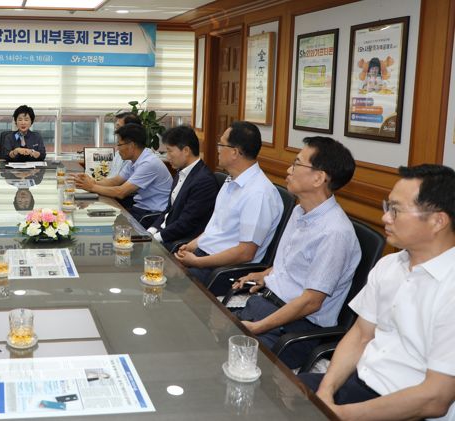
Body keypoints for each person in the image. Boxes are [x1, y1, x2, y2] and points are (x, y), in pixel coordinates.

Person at [299, 164, 455, 421]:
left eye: (396, 210)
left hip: (406, 410)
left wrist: (343, 414)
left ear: (438, 220)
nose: (385, 217)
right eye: (387, 207)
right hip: (358, 384)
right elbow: (361, 335)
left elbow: (435, 399)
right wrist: (326, 390)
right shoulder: (389, 266)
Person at [230, 136, 360, 369]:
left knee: (229, 359)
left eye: (297, 163)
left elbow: (311, 302)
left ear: (319, 178)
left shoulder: (334, 232)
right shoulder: (300, 210)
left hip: (295, 328)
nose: (288, 170)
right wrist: (267, 274)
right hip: (267, 306)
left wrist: (259, 327)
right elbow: (293, 262)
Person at [174, 121, 282, 288]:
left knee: (167, 292)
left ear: (234, 152)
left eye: (221, 144)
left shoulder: (258, 194)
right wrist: (192, 245)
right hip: (205, 258)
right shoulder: (230, 181)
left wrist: (198, 262)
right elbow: (217, 228)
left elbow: (245, 253)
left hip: (222, 271)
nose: (217, 148)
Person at [72, 123, 172, 226]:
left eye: (119, 145)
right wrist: (92, 182)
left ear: (131, 145)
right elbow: (115, 181)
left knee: (116, 229)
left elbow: (121, 192)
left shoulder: (148, 163)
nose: (117, 149)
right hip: (141, 208)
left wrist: (92, 187)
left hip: (153, 215)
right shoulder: (134, 160)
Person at [146, 125, 218, 252]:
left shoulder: (204, 181)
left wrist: (155, 238)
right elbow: (168, 210)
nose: (167, 157)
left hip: (180, 243)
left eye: (169, 151)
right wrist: (150, 231)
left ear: (186, 150)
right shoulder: (181, 172)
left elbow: (186, 223)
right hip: (166, 233)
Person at [109, 112, 141, 177]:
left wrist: (92, 185)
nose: (116, 131)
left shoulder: (136, 158)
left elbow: (121, 186)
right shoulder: (119, 152)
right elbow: (113, 180)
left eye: (118, 127)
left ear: (130, 129)